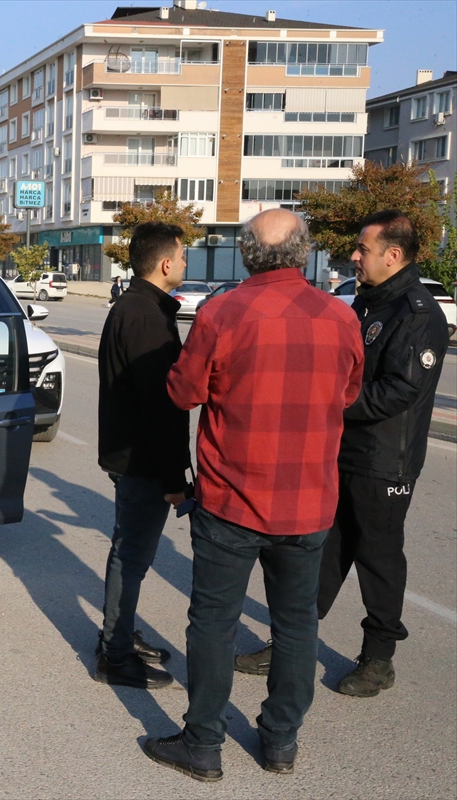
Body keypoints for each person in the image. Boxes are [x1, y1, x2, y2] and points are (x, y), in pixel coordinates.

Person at [144, 209, 364, 781]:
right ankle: (281, 741)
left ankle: (204, 744)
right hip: (309, 499)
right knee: (296, 625)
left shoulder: (222, 312)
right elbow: (347, 393)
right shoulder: (340, 317)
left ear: (247, 254)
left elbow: (185, 393)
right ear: (304, 251)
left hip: (231, 499)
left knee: (214, 622)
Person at [235, 211, 449, 697]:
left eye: (363, 249)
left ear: (393, 256)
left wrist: (325, 401)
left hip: (383, 461)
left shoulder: (417, 314)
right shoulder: (364, 304)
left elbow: (398, 392)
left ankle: (378, 658)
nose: (353, 256)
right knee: (323, 554)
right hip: (340, 451)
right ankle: (291, 643)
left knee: (377, 558)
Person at [94, 222, 191, 689]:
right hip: (141, 460)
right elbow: (160, 408)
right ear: (166, 263)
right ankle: (114, 653)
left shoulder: (138, 307)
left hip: (131, 453)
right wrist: (175, 478)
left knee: (128, 554)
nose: (186, 264)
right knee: (130, 556)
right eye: (184, 256)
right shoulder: (145, 316)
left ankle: (118, 634)